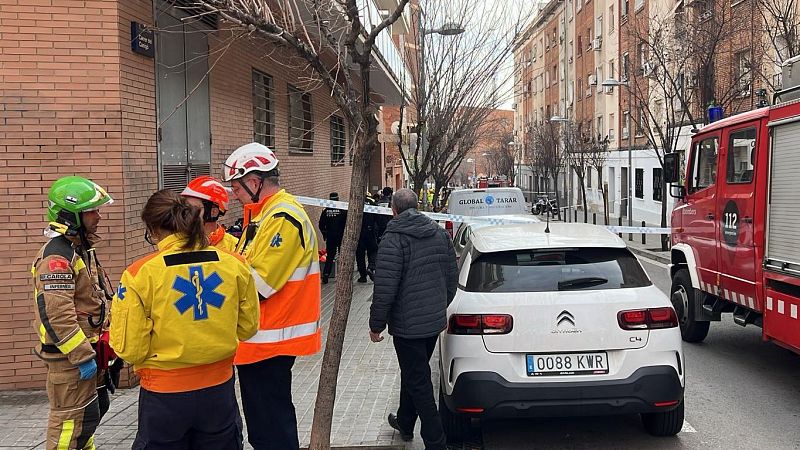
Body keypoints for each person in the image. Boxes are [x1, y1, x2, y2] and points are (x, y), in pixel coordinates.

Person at [109, 189, 259, 449]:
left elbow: (131, 349)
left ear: (153, 229)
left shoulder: (139, 274)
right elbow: (247, 328)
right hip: (218, 392)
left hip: (164, 396)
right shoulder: (234, 264)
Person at [223, 142, 322, 450]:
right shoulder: (265, 214)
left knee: (271, 432)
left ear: (254, 182)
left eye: (236, 188)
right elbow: (248, 262)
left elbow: (259, 285)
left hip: (269, 340)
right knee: (266, 427)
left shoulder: (282, 218)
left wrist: (219, 276)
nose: (234, 195)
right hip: (260, 340)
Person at [369, 188, 458, 450]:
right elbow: (451, 277)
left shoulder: (393, 238)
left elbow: (385, 287)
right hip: (432, 323)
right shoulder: (439, 233)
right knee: (414, 371)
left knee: (418, 380)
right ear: (417, 206)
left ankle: (436, 441)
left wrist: (376, 325)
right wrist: (439, 306)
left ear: (393, 210)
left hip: (408, 327)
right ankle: (405, 422)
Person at [32, 176, 115, 450]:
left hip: (88, 353)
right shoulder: (57, 259)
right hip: (70, 360)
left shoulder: (80, 250)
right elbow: (57, 316)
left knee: (87, 420)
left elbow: (94, 298)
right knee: (69, 424)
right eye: (92, 211)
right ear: (71, 215)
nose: (98, 217)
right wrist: (82, 357)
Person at [181, 175, 239, 252]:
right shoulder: (178, 242)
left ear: (213, 212)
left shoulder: (234, 247)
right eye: (185, 208)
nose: (186, 213)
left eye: (194, 209)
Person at [318, 192, 347, 284]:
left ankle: (326, 274)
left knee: (330, 256)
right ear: (338, 199)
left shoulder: (326, 211)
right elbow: (347, 223)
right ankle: (343, 275)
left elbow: (321, 225)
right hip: (341, 236)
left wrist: (325, 234)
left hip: (330, 237)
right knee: (343, 256)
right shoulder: (343, 210)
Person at [356, 193, 379, 283]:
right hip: (370, 231)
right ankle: (371, 267)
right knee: (373, 250)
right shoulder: (372, 202)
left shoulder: (355, 202)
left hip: (359, 233)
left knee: (360, 255)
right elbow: (378, 217)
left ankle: (363, 276)